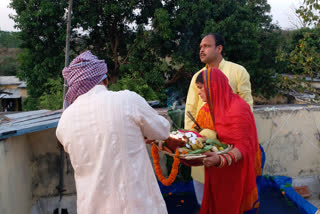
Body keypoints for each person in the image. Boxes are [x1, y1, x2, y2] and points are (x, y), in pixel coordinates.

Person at [56, 51, 170, 214]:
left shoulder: (64, 121)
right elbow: (163, 130)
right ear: (105, 79)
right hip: (136, 207)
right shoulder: (128, 100)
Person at [185, 33, 254, 205]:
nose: (202, 50)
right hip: (203, 147)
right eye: (200, 47)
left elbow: (246, 110)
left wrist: (222, 142)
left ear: (219, 48)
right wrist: (189, 143)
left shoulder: (237, 72)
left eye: (206, 46)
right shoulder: (197, 76)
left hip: (230, 148)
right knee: (205, 199)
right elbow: (191, 110)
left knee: (229, 198)